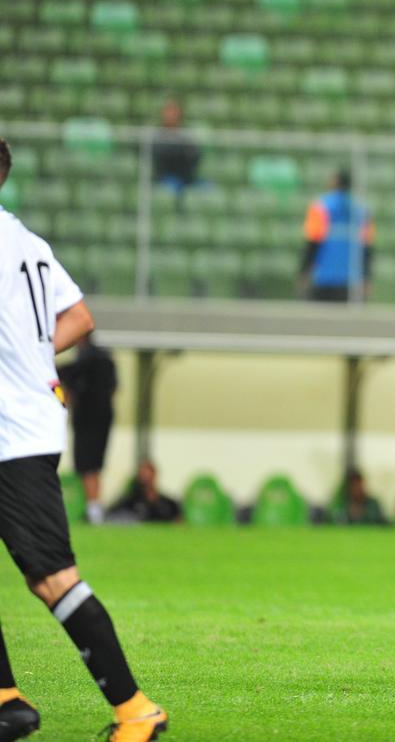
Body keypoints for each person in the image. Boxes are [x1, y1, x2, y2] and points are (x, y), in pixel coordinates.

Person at [0, 138, 168, 741]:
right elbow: (79, 318)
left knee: (52, 577)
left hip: (12, 436)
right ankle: (5, 702)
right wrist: (29, 358)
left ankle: (135, 710)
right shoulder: (24, 241)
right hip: (25, 419)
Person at [57, 331, 117, 525]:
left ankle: (93, 511)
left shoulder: (85, 363)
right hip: (102, 420)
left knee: (87, 467)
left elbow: (61, 385)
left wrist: (62, 400)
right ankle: (94, 509)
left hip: (88, 422)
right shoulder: (106, 361)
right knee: (93, 467)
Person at [298, 168, 375, 302]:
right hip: (351, 280)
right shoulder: (362, 210)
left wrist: (304, 272)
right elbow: (366, 248)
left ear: (335, 182)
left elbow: (313, 243)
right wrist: (366, 278)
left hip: (324, 277)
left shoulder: (320, 207)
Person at [150, 99, 201, 194]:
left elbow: (195, 155)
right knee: (172, 188)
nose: (171, 115)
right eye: (168, 112)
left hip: (187, 177)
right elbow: (159, 156)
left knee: (208, 188)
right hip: (166, 177)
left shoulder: (187, 133)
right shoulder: (158, 134)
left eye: (174, 112)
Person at [107, 460, 181, 524]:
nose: (146, 478)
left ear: (155, 475)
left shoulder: (169, 504)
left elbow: (179, 519)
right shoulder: (131, 501)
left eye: (148, 474)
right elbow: (113, 514)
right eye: (143, 474)